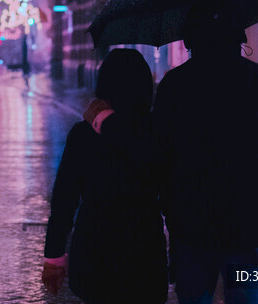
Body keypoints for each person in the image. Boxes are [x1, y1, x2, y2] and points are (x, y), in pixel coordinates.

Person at [86, 4, 258, 304]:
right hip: (251, 224)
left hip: (193, 227)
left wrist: (105, 120)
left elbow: (156, 152)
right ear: (239, 38)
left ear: (190, 41)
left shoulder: (174, 85)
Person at [42, 49, 167, 303]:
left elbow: (64, 199)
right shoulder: (157, 134)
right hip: (144, 248)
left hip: (94, 249)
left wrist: (54, 255)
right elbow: (172, 192)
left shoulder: (82, 135)